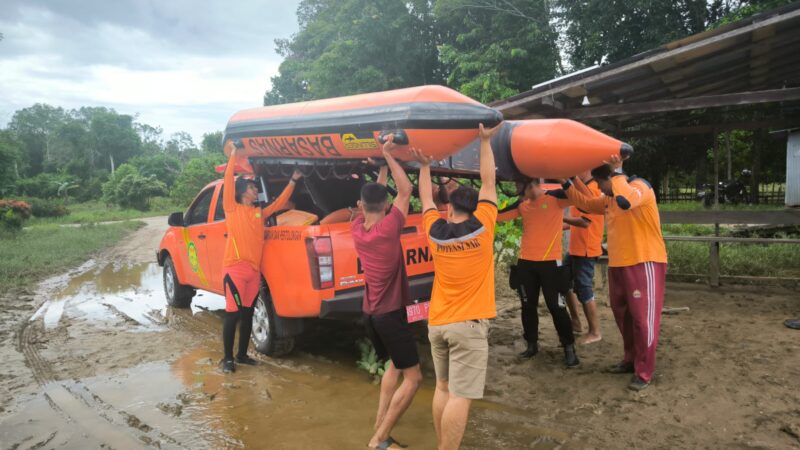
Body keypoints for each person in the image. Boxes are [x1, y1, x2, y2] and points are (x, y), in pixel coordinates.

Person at [413, 123, 500, 450]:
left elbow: (425, 199)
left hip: (438, 324)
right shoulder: (485, 225)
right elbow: (489, 180)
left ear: (449, 209)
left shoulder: (435, 231)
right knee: (461, 397)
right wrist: (485, 141)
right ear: (475, 207)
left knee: (443, 389)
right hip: (468, 326)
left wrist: (424, 167)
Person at [561, 155, 667, 391]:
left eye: (601, 183)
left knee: (643, 319)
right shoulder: (609, 198)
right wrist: (566, 182)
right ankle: (630, 359)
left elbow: (627, 201)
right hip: (618, 264)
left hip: (644, 261)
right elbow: (586, 205)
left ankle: (645, 370)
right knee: (623, 315)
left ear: (610, 177)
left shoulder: (640, 187)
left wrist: (617, 171)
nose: (599, 188)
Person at [351, 135, 421, 450]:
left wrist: (382, 165)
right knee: (415, 378)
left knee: (394, 364)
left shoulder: (358, 229)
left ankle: (380, 423)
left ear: (361, 206)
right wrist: (389, 155)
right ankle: (380, 440)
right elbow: (406, 190)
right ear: (384, 205)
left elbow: (383, 195)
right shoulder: (389, 228)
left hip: (372, 314)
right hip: (391, 315)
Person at [221, 140, 302, 374]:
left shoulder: (258, 213)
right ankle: (228, 359)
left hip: (253, 272)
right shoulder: (231, 208)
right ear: (241, 191)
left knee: (247, 315)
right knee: (232, 315)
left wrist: (293, 180)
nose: (256, 189)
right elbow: (228, 180)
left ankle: (242, 355)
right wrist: (234, 155)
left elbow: (278, 204)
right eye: (252, 187)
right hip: (234, 270)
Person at [498, 179, 579, 367]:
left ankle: (569, 347)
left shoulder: (555, 197)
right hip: (526, 262)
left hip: (551, 263)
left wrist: (566, 180)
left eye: (518, 186)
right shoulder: (522, 205)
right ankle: (532, 344)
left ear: (528, 184)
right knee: (527, 305)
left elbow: (580, 198)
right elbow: (497, 216)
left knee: (556, 306)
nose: (516, 190)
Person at [563, 171, 605, 345]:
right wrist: (558, 224)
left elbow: (585, 222)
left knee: (584, 288)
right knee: (563, 281)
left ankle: (595, 331)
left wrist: (562, 220)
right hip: (575, 248)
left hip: (586, 249)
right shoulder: (582, 189)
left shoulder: (593, 190)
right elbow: (576, 220)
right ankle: (576, 321)